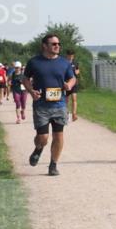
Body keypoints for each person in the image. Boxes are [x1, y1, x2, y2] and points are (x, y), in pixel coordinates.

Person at [23, 34, 76, 177]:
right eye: (53, 44)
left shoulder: (64, 63)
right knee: (43, 137)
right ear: (44, 46)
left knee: (58, 135)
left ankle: (53, 165)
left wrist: (68, 85)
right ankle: (38, 149)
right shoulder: (34, 62)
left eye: (58, 43)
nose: (57, 46)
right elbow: (25, 79)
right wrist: (31, 91)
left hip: (59, 105)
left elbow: (72, 78)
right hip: (41, 106)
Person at [65, 49, 81, 122]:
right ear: (67, 56)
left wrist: (76, 72)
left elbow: (78, 70)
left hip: (74, 83)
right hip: (67, 83)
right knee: (66, 100)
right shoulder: (64, 63)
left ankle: (74, 114)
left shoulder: (75, 63)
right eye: (69, 56)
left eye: (72, 56)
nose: (71, 57)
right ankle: (66, 113)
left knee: (74, 99)